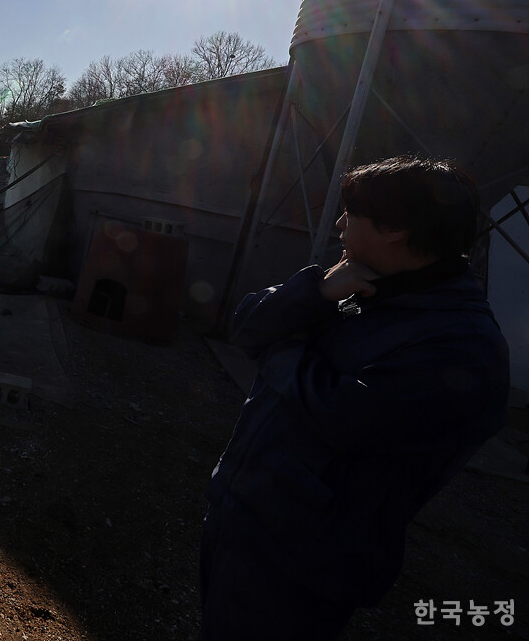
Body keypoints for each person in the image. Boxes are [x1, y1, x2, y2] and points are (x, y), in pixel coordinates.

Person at [200, 156, 509, 640]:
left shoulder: (463, 346)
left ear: (395, 228)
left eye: (352, 212)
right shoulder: (362, 283)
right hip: (244, 515)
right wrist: (315, 292)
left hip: (303, 561)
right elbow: (246, 326)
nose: (340, 223)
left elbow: (343, 417)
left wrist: (284, 345)